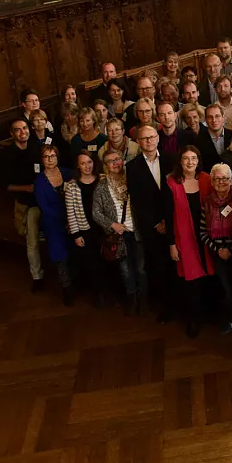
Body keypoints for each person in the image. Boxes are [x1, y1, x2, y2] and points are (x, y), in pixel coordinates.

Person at [163, 146, 213, 338]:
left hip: (206, 236)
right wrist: (172, 244)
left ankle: (209, 314)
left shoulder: (207, 179)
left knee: (208, 277)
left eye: (194, 158)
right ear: (180, 162)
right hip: (184, 239)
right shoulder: (171, 183)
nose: (190, 162)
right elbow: (168, 216)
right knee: (191, 281)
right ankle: (194, 319)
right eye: (186, 159)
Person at [93, 148, 149, 314]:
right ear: (105, 165)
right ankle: (131, 298)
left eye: (117, 159)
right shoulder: (102, 186)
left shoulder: (132, 179)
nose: (115, 163)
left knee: (141, 268)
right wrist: (112, 225)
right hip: (119, 235)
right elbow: (96, 212)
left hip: (137, 231)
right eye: (110, 161)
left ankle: (143, 298)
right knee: (125, 270)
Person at [128, 126, 175, 321]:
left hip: (173, 221)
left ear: (158, 138)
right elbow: (138, 201)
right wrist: (156, 223)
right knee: (158, 267)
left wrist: (168, 220)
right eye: (144, 138)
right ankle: (165, 307)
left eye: (152, 137)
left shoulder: (171, 159)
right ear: (138, 142)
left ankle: (181, 304)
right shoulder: (132, 167)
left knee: (176, 265)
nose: (149, 141)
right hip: (151, 226)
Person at [199, 163, 232, 338]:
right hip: (218, 253)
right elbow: (202, 232)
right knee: (226, 290)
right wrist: (219, 249)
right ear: (212, 181)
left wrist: (231, 248)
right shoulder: (207, 203)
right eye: (217, 178)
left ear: (231, 180)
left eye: (225, 178)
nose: (221, 182)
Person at [0, 118, 44, 291]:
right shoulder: (7, 155)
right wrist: (27, 188)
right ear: (12, 134)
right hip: (27, 204)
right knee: (31, 241)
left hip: (43, 200)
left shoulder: (35, 148)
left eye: (25, 128)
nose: (23, 132)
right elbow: (4, 185)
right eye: (18, 130)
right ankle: (37, 276)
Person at [34, 145, 74, 305]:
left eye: (53, 156)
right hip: (53, 223)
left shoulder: (67, 173)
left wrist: (71, 219)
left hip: (73, 220)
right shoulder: (39, 182)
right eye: (46, 156)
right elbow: (45, 207)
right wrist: (65, 219)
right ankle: (67, 288)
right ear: (42, 160)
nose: (50, 159)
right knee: (60, 255)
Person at [65, 149, 103, 307]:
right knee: (91, 264)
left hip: (103, 228)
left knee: (105, 262)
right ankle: (97, 294)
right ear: (78, 166)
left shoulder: (103, 180)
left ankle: (108, 291)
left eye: (89, 162)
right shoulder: (72, 186)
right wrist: (76, 234)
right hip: (85, 230)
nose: (87, 166)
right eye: (83, 163)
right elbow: (71, 213)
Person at [195, 104, 229, 172]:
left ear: (223, 117)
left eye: (217, 116)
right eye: (210, 117)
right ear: (205, 120)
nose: (214, 120)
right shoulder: (198, 140)